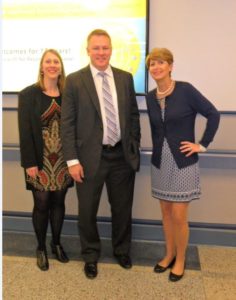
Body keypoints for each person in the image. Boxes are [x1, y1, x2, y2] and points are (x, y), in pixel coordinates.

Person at [61, 29, 141, 279]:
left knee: (122, 209)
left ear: (111, 49)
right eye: (96, 48)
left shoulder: (125, 78)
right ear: (88, 51)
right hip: (87, 160)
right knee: (87, 211)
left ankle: (121, 250)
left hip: (121, 158)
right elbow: (68, 123)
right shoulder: (74, 80)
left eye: (105, 47)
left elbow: (134, 116)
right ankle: (91, 255)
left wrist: (133, 145)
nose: (101, 52)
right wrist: (72, 160)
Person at [145, 48, 220, 282]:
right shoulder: (149, 96)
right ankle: (168, 255)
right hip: (160, 161)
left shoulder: (186, 90)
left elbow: (213, 114)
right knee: (166, 213)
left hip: (183, 162)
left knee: (179, 215)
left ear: (170, 66)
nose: (155, 68)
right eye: (151, 65)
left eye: (160, 63)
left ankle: (181, 260)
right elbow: (157, 129)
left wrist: (202, 144)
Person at [18, 49, 73, 271]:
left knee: (59, 203)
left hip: (63, 160)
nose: (52, 65)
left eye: (56, 62)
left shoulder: (68, 94)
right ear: (41, 67)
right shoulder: (28, 94)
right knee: (41, 205)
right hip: (38, 161)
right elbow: (25, 132)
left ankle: (56, 243)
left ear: (61, 67)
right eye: (48, 61)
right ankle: (41, 247)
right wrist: (29, 163)